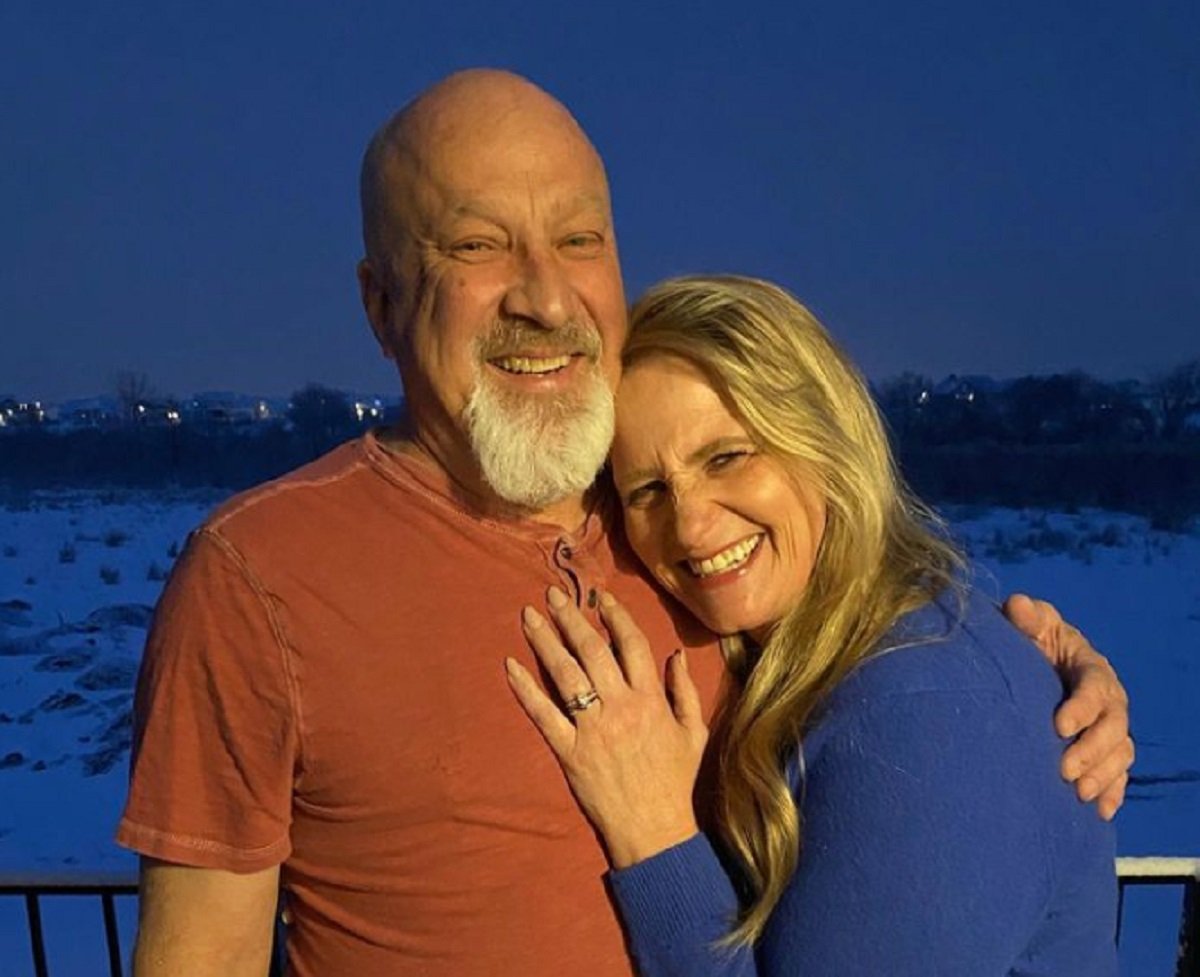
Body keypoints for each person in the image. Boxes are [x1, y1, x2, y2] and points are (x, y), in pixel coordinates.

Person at [118, 71, 1131, 977]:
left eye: (579, 238)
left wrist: (1033, 669)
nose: (544, 293)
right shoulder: (264, 575)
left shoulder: (677, 533)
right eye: (475, 244)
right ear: (380, 304)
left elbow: (902, 643)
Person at [507, 274, 1120, 975]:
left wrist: (653, 835)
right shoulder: (834, 651)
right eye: (647, 490)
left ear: (823, 440)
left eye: (726, 456)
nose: (689, 523)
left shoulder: (925, 717)